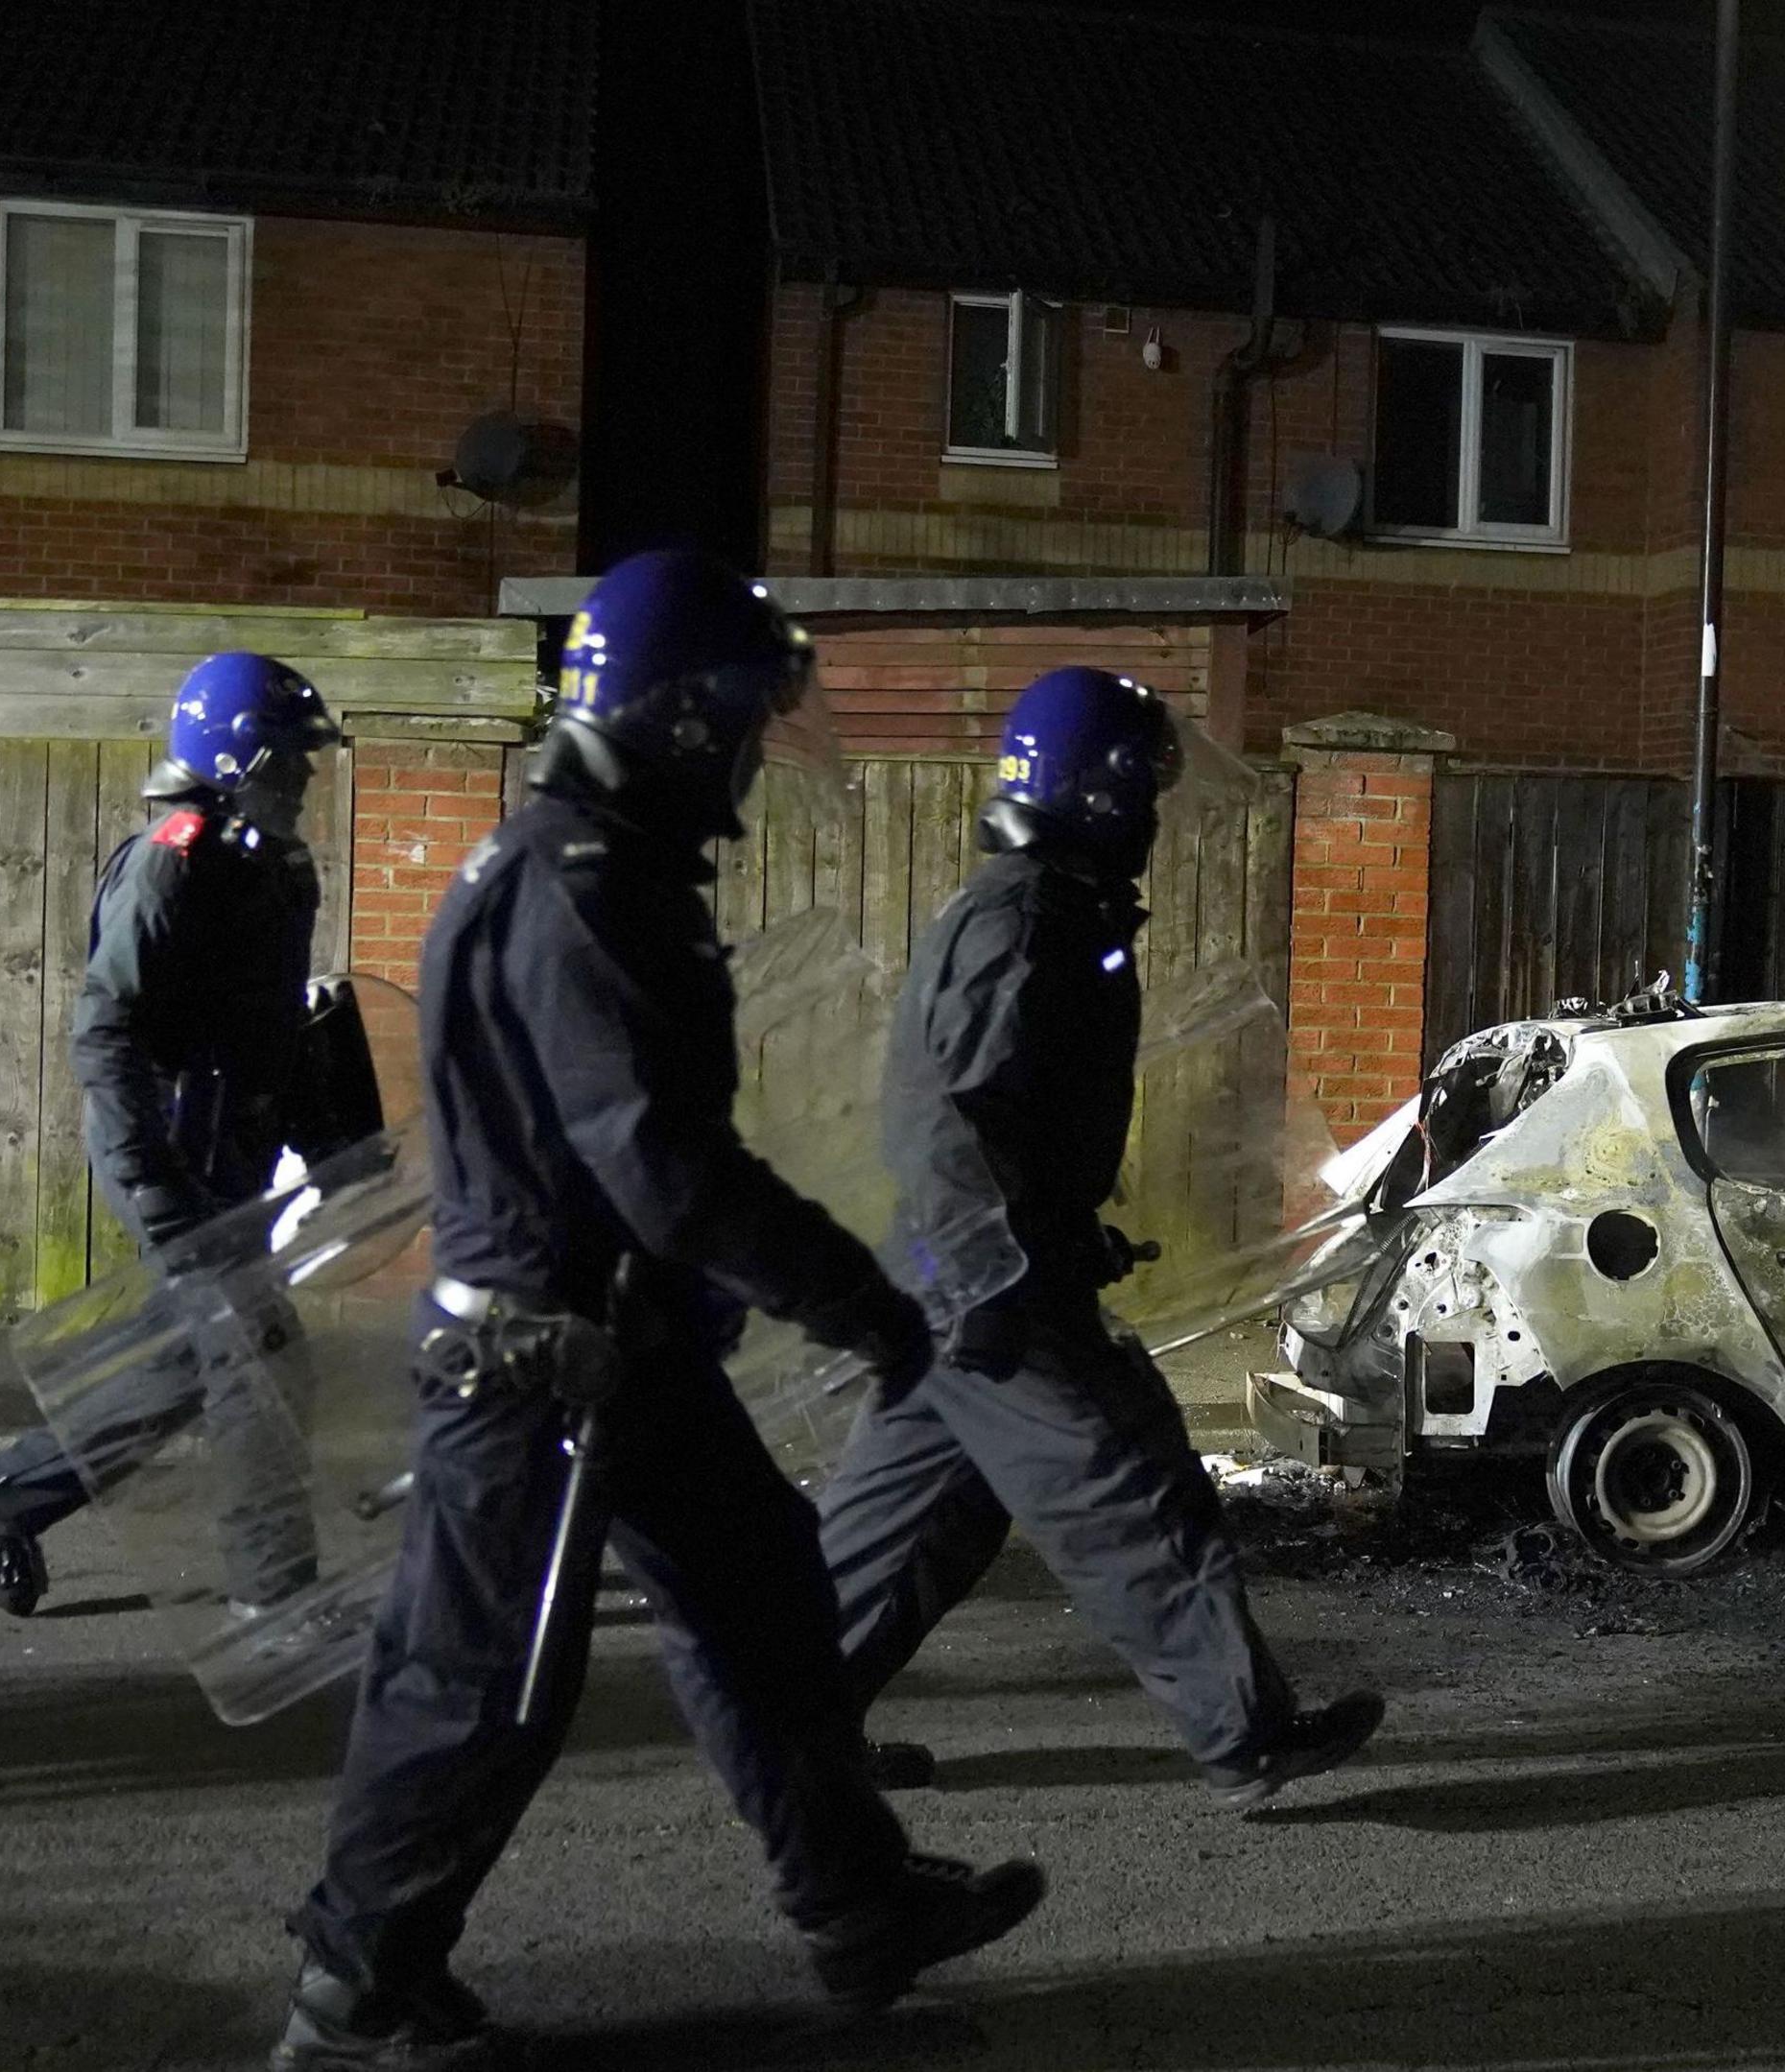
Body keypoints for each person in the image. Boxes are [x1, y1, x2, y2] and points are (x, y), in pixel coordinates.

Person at [274, 552, 1040, 2069]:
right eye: (748, 714)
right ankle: (352, 1992)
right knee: (481, 1679)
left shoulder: (584, 864)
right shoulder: (584, 889)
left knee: (768, 1610)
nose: (759, 747)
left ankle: (858, 1902)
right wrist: (858, 1300)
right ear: (680, 717)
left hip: (625, 1346)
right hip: (544, 1364)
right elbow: (666, 1167)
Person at [815, 665, 1381, 1812]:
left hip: (966, 1282)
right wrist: (1004, 1277)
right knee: (1137, 1491)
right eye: (1147, 792)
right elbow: (950, 1122)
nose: (1160, 818)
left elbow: (1012, 1123)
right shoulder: (1025, 920)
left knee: (911, 1524)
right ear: (1103, 790)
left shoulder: (1056, 909)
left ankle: (787, 1729)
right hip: (989, 1294)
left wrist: (1064, 1238)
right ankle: (1248, 1737)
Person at [0, 654, 346, 1618]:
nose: (307, 779)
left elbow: (272, 1018)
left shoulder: (274, 866)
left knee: (193, 1357)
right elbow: (106, 1029)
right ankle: (274, 1598)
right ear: (241, 761)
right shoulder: (175, 859)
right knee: (258, 1357)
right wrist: (150, 1182)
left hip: (231, 1151)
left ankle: (4, 1494)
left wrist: (323, 1129)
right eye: (292, 761)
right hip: (168, 1149)